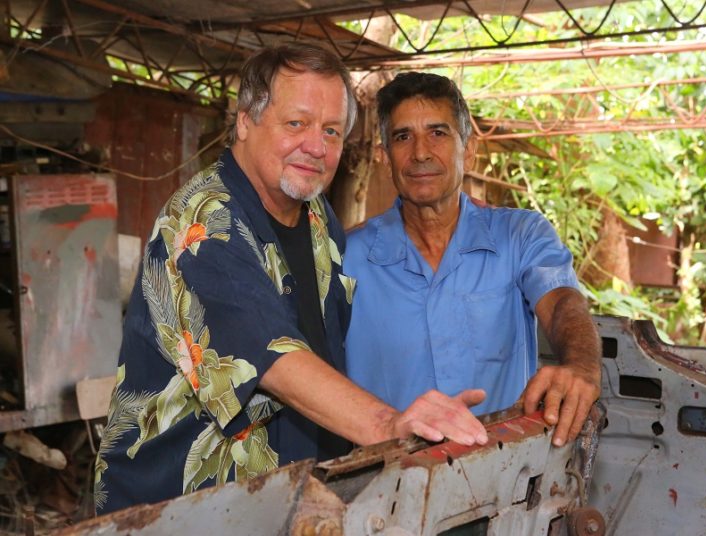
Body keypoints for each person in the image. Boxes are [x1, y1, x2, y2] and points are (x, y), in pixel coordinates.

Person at [94, 45, 488, 515]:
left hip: (279, 497)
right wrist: (389, 424)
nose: (316, 147)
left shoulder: (317, 216)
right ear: (245, 122)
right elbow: (274, 355)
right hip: (171, 510)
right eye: (296, 124)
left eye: (331, 131)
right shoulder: (201, 224)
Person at [344, 72, 602, 449]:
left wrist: (581, 365)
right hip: (383, 484)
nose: (420, 153)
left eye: (438, 133)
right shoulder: (346, 257)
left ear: (469, 149)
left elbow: (562, 301)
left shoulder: (519, 235)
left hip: (501, 475)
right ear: (384, 156)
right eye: (403, 137)